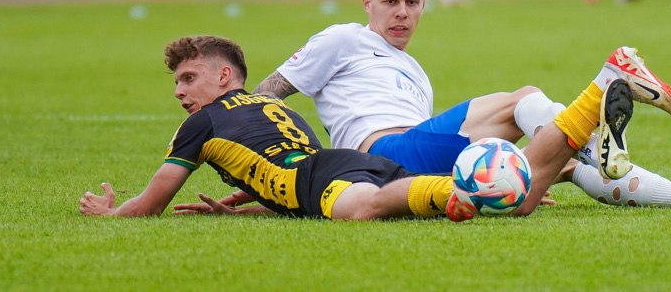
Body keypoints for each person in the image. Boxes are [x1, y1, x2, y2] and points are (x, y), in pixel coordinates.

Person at [249, 0, 671, 210]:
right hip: (381, 154)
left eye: (413, 2)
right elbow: (265, 99)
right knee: (524, 99)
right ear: (367, 3)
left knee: (553, 172)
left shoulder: (412, 67)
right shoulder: (341, 37)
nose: (402, 13)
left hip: (414, 165)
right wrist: (272, 173)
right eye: (390, 2)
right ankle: (604, 89)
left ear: (425, 3)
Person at [79, 36, 461, 221]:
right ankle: (490, 190)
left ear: (224, 75)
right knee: (398, 200)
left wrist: (110, 215)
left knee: (362, 209)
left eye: (189, 78)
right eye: (177, 83)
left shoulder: (201, 123)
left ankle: (474, 191)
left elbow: (151, 205)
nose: (179, 92)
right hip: (349, 164)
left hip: (324, 176)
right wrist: (248, 210)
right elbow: (301, 177)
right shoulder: (275, 105)